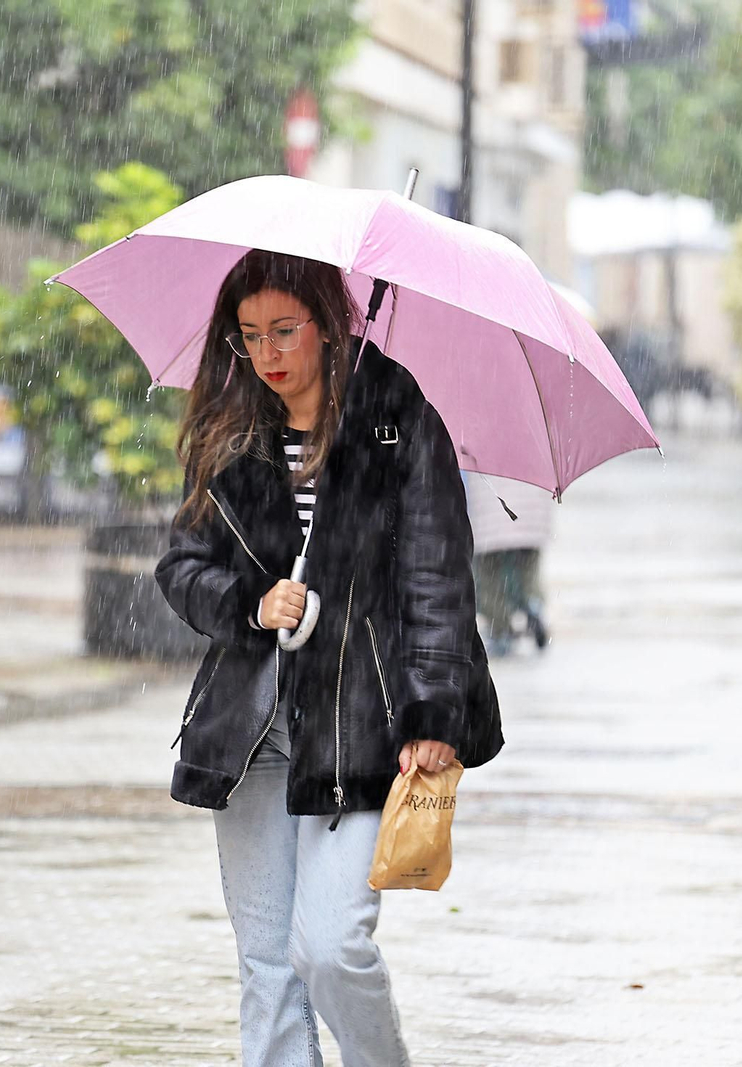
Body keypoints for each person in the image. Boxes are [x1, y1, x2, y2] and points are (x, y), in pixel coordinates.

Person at [155, 249, 503, 1067]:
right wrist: (250, 600)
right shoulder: (231, 429)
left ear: (328, 320)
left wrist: (434, 713)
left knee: (331, 946)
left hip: (363, 721)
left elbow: (436, 578)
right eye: (249, 337)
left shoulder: (395, 416)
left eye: (285, 330)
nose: (268, 353)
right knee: (268, 967)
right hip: (253, 733)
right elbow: (181, 565)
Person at [465, 473, 554, 656]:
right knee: (528, 569)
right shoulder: (539, 443)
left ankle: (501, 630)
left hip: (490, 510)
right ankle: (532, 603)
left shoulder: (477, 443)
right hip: (532, 510)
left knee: (489, 575)